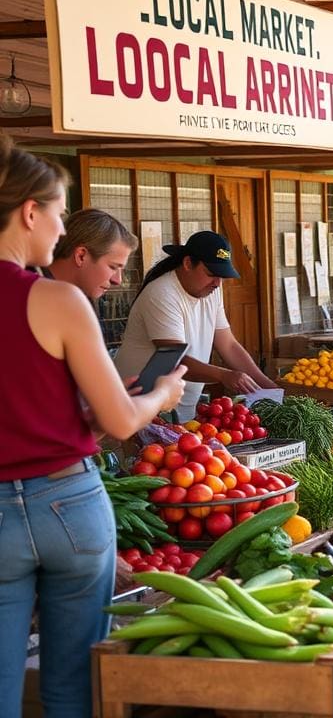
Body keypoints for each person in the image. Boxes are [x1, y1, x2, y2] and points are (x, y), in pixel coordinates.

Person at [0, 138, 185, 718]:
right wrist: (162, 393)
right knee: (72, 687)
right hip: (68, 504)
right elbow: (121, 420)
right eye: (57, 213)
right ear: (29, 211)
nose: (60, 230)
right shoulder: (56, 299)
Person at [114, 231, 275, 421]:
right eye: (211, 274)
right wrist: (225, 376)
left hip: (179, 408)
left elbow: (229, 345)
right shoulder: (162, 294)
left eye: (222, 276)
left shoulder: (212, 289)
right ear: (188, 263)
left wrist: (267, 385)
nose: (217, 283)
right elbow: (174, 359)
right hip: (140, 406)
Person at [43, 209, 139, 300]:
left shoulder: (80, 297)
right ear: (81, 256)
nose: (117, 280)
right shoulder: (34, 297)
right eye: (113, 267)